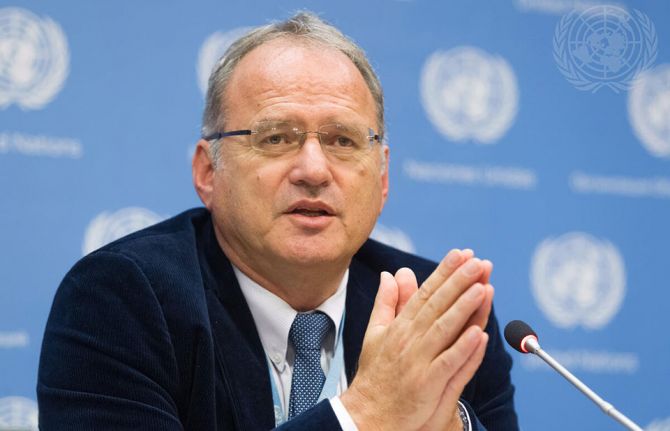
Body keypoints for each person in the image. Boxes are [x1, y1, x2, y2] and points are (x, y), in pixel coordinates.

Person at [38, 12, 518, 431]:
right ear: (209, 172)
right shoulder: (120, 299)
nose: (313, 170)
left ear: (383, 177)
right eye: (275, 138)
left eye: (343, 141)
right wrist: (367, 413)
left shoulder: (436, 312)